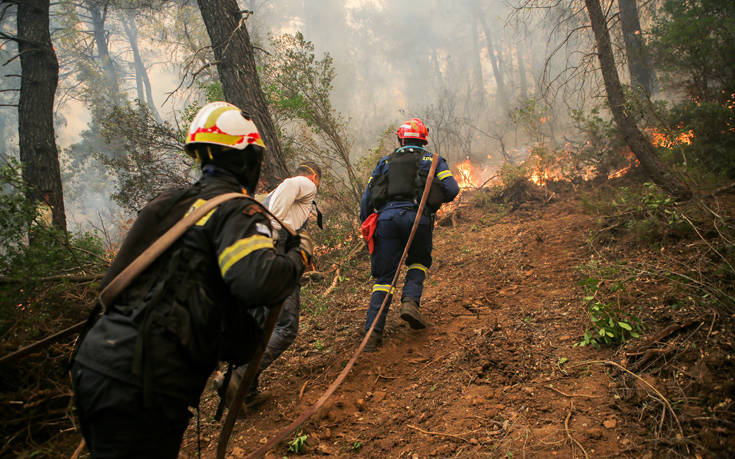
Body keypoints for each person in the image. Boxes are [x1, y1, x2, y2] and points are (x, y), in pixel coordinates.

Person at [70, 101, 312, 458]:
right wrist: (298, 256)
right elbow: (258, 282)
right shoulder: (239, 210)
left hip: (95, 364)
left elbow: (115, 282)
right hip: (149, 380)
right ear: (248, 160)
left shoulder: (166, 204)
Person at [215, 161, 322, 403]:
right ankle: (239, 377)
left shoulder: (267, 198)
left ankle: (246, 391)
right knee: (286, 327)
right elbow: (291, 184)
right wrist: (277, 230)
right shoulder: (305, 183)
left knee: (258, 327)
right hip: (277, 253)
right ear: (314, 177)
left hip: (255, 257)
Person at [359, 117, 459, 351]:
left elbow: (368, 198)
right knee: (419, 262)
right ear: (423, 139)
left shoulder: (385, 162)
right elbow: (452, 189)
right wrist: (432, 204)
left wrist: (366, 223)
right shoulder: (433, 160)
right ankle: (410, 303)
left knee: (384, 279)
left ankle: (372, 336)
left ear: (400, 138)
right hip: (417, 217)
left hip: (386, 220)